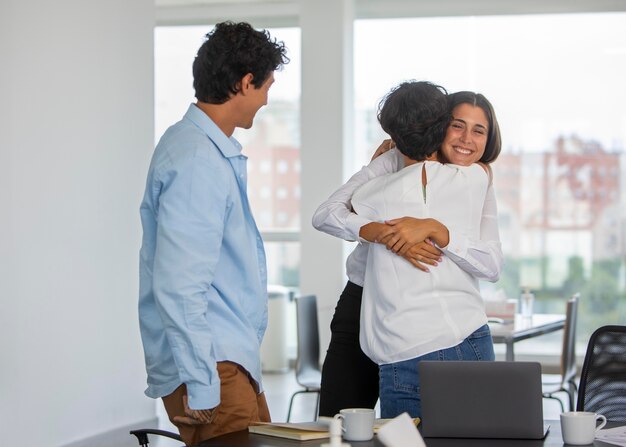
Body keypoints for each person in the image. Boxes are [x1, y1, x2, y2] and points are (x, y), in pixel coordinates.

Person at [138, 22, 288, 445]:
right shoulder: (197, 161)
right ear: (245, 83)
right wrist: (202, 382)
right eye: (265, 87)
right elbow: (179, 284)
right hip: (213, 365)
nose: (265, 100)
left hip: (227, 359)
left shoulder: (197, 147)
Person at [313, 85, 502, 417]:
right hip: (363, 301)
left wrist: (436, 230)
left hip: (420, 324)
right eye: (458, 125)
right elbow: (328, 214)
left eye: (478, 130)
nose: (466, 139)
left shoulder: (477, 179)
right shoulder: (391, 161)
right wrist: (382, 233)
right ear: (440, 126)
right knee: (339, 420)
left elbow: (491, 264)